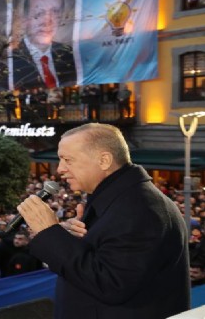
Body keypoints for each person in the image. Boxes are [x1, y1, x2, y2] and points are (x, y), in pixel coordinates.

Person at [17, 123, 190, 318]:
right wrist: (69, 240)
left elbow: (111, 285)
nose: (60, 169)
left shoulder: (139, 209)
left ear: (104, 160)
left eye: (68, 160)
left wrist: (49, 233)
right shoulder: (123, 199)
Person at [0, 0, 76, 91]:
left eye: (55, 12)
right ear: (26, 19)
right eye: (39, 13)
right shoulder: (8, 62)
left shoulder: (69, 55)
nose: (47, 22)